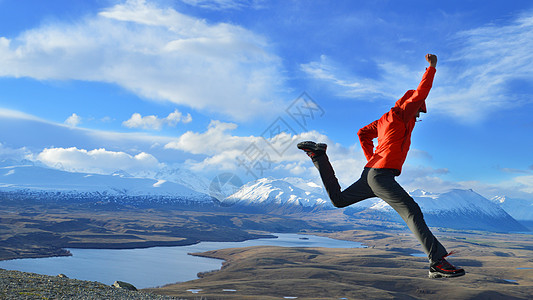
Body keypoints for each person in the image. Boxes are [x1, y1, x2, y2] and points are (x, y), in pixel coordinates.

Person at [297, 54, 465, 278]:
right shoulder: (404, 113)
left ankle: (318, 156)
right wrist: (431, 68)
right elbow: (421, 91)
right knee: (412, 212)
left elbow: (362, 133)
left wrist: (371, 158)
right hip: (381, 176)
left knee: (339, 200)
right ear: (413, 105)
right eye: (419, 112)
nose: (418, 117)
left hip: (371, 173)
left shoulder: (385, 118)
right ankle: (437, 263)